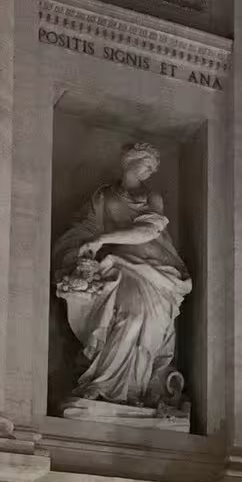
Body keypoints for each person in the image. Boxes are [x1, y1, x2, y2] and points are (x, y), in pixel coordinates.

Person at [53, 142, 193, 414]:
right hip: (119, 267)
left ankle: (134, 391)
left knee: (146, 322)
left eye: (154, 168)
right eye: (147, 164)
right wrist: (80, 252)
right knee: (129, 316)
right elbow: (83, 228)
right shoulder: (104, 196)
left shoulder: (152, 197)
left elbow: (149, 231)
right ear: (129, 160)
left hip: (152, 271)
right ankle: (104, 385)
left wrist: (102, 239)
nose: (150, 171)